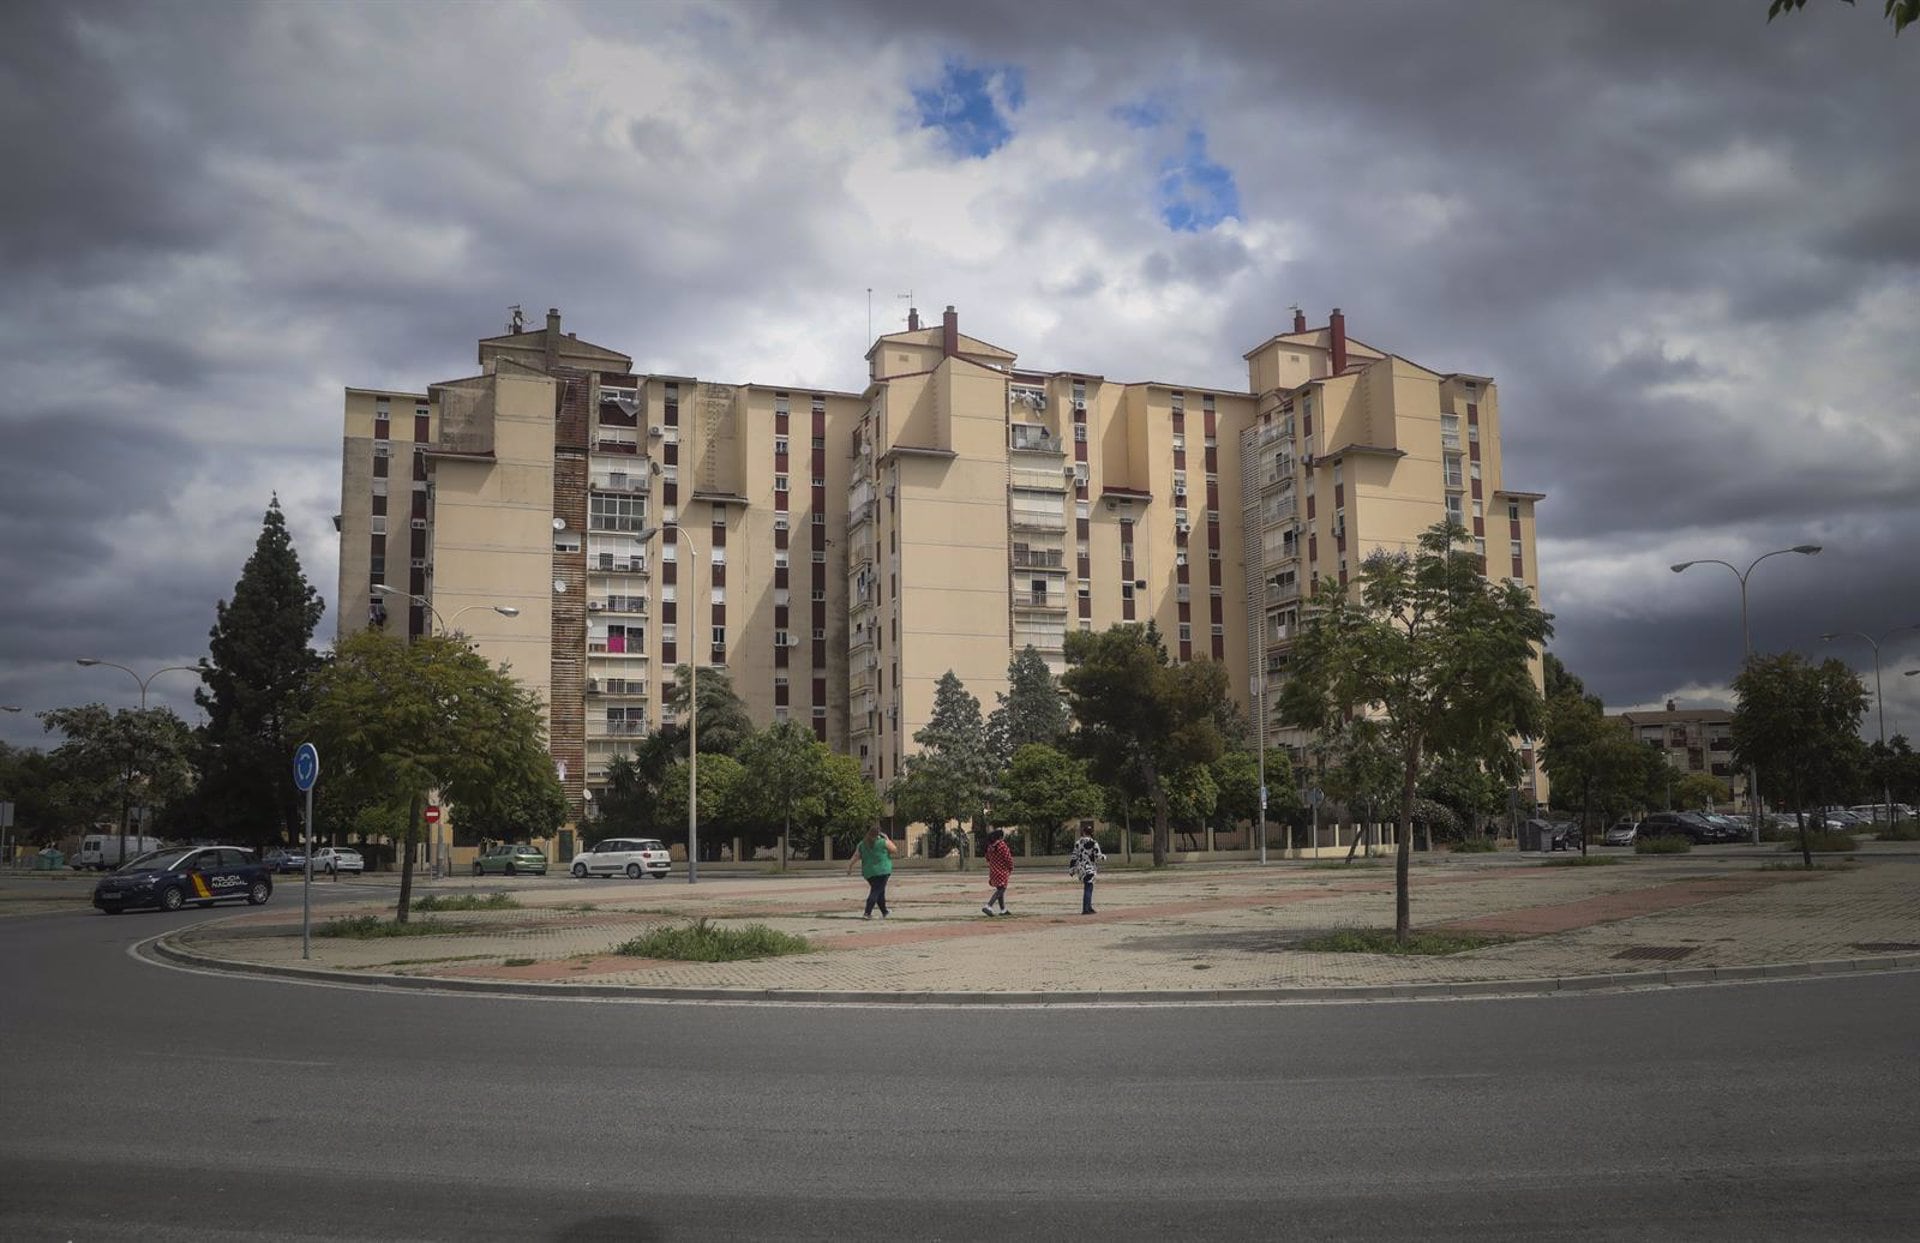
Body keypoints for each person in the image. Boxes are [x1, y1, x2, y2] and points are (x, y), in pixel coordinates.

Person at [846, 825, 898, 919]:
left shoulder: (862, 844)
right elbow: (894, 850)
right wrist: (887, 839)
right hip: (883, 871)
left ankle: (884, 911)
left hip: (869, 872)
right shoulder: (883, 842)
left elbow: (856, 856)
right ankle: (867, 913)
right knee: (876, 891)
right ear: (879, 834)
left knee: (879, 891)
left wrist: (849, 867)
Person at [1068, 824, 1105, 915]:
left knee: (1088, 887)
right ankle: (1086, 909)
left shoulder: (1078, 843)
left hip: (1081, 869)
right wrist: (1104, 857)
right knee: (1089, 888)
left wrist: (1072, 869)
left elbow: (1074, 856)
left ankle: (1088, 907)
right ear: (1091, 833)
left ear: (1083, 832)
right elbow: (1098, 855)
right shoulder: (1094, 843)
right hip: (1090, 868)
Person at [982, 827, 1014, 916]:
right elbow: (1008, 858)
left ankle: (1003, 909)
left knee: (1000, 888)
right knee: (1002, 889)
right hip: (1002, 870)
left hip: (993, 870)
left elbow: (987, 858)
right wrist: (1011, 867)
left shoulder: (990, 847)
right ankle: (988, 906)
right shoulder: (1002, 845)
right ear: (1000, 837)